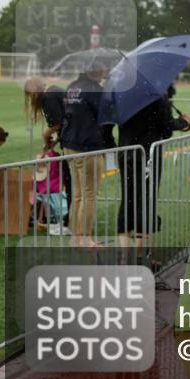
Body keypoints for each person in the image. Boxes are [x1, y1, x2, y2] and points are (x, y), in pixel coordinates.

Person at [116, 84, 190, 255]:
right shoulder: (156, 91)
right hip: (147, 153)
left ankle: (125, 256)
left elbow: (108, 124)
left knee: (128, 198)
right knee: (146, 200)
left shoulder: (122, 91)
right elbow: (167, 124)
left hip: (126, 151)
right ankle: (141, 255)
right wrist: (183, 122)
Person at [61, 63, 116, 248]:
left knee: (78, 193)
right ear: (98, 70)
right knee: (89, 194)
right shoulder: (96, 91)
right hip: (88, 146)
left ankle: (76, 239)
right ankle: (84, 239)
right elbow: (107, 118)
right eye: (105, 68)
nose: (107, 71)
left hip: (70, 143)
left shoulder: (73, 86)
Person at [24, 77, 72, 225]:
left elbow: (57, 124)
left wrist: (45, 136)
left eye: (30, 95)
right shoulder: (54, 91)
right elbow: (64, 123)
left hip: (73, 142)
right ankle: (71, 217)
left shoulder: (48, 96)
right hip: (74, 138)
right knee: (72, 183)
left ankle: (71, 219)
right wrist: (49, 146)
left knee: (72, 183)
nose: (31, 99)